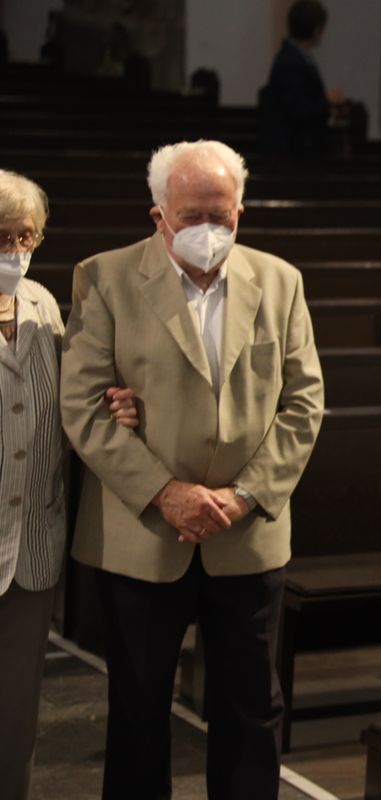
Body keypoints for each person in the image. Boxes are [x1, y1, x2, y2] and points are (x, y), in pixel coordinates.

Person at [59, 139, 325, 799]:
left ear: (242, 211)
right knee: (139, 712)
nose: (209, 231)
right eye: (191, 217)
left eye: (222, 216)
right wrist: (165, 492)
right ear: (158, 216)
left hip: (247, 530)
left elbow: (304, 403)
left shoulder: (279, 281)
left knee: (250, 710)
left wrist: (244, 495)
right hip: (145, 532)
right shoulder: (107, 277)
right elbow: (83, 407)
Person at [0, 170, 138, 800]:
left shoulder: (44, 306)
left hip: (31, 540)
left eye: (27, 236)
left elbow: (71, 406)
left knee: (16, 709)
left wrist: (119, 411)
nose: (16, 250)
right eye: (3, 236)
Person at [258, 0, 345, 157]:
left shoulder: (297, 57)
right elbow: (297, 107)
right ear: (316, 30)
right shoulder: (290, 61)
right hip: (295, 148)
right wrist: (327, 101)